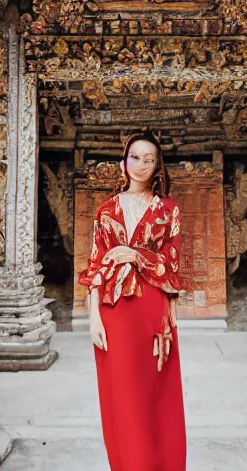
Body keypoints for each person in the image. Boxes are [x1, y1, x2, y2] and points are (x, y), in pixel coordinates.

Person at [78, 130, 187, 471]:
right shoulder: (105, 210)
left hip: (152, 308)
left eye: (149, 160)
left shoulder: (168, 210)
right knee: (121, 398)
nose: (141, 165)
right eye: (135, 157)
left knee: (155, 396)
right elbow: (96, 264)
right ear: (124, 162)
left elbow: (172, 261)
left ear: (158, 167)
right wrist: (93, 317)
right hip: (113, 312)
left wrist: (136, 256)